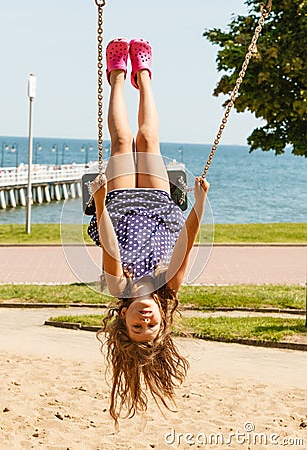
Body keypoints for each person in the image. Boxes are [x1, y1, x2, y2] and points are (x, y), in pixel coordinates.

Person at [87, 38, 210, 426]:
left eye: (136, 327)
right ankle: (145, 74)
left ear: (122, 319)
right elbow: (186, 245)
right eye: (150, 326)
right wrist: (201, 204)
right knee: (148, 140)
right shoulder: (168, 287)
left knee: (123, 142)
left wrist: (103, 200)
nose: (144, 320)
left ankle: (119, 77)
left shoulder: (118, 288)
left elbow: (109, 243)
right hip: (159, 207)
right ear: (162, 319)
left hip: (120, 205)